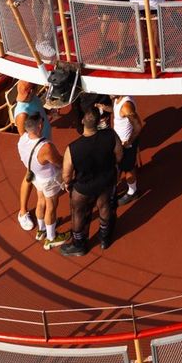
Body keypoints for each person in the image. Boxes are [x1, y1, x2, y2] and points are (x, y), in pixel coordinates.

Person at [61, 108, 122, 255]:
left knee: (78, 214)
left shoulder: (72, 148)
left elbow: (66, 174)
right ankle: (104, 239)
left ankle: (79, 245)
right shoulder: (110, 135)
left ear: (83, 122)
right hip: (106, 181)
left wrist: (68, 184)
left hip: (83, 188)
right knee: (105, 207)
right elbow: (119, 155)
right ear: (99, 121)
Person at [17, 110, 67, 250]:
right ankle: (51, 238)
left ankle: (42, 230)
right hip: (49, 179)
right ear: (39, 126)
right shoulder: (45, 147)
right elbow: (59, 162)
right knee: (51, 206)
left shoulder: (22, 139)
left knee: (40, 202)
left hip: (36, 176)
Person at [14, 81, 54, 231]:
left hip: (44, 142)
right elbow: (23, 136)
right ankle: (22, 212)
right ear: (29, 91)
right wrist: (37, 154)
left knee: (38, 177)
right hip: (35, 150)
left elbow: (39, 111)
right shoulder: (22, 113)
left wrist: (48, 114)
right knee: (29, 177)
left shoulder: (33, 98)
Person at [96, 95, 144, 205]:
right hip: (118, 143)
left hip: (126, 144)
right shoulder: (117, 99)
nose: (108, 93)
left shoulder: (126, 106)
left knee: (128, 169)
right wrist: (105, 108)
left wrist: (129, 141)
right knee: (116, 167)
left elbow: (138, 126)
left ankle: (133, 192)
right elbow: (117, 112)